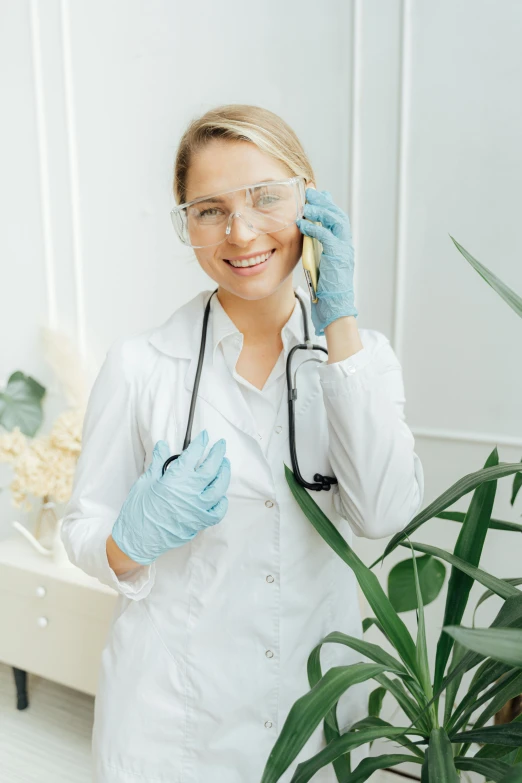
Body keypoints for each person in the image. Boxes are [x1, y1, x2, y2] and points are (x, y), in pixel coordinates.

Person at [61, 104, 424, 783]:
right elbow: (84, 527)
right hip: (170, 722)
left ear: (308, 198)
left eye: (266, 197)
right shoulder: (141, 364)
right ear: (187, 222)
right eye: (209, 208)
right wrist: (131, 539)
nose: (241, 230)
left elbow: (383, 512)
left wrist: (339, 317)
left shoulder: (358, 358)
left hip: (312, 716)